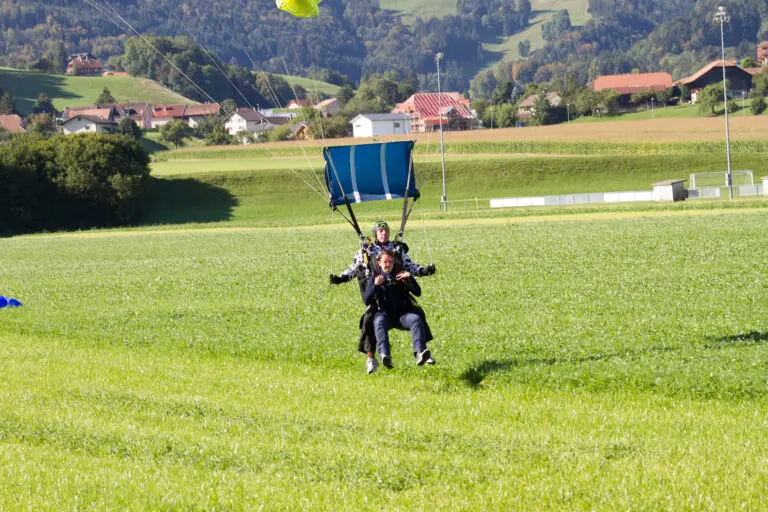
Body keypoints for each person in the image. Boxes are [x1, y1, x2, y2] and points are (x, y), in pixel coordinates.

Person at [359, 249, 435, 373]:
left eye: (390, 262)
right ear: (379, 263)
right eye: (385, 262)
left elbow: (418, 292)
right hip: (384, 316)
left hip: (402, 316)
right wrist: (376, 285)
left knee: (416, 319)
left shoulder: (401, 275)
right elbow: (367, 300)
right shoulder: (375, 278)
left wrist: (409, 278)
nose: (387, 264)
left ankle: (420, 352)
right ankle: (384, 355)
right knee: (378, 322)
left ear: (394, 263)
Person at [329, 220, 435, 288]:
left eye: (386, 231)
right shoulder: (366, 249)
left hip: (396, 285)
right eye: (380, 231)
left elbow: (409, 265)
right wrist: (341, 278)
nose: (384, 233)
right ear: (375, 234)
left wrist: (423, 271)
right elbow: (355, 268)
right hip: (375, 287)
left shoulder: (397, 247)